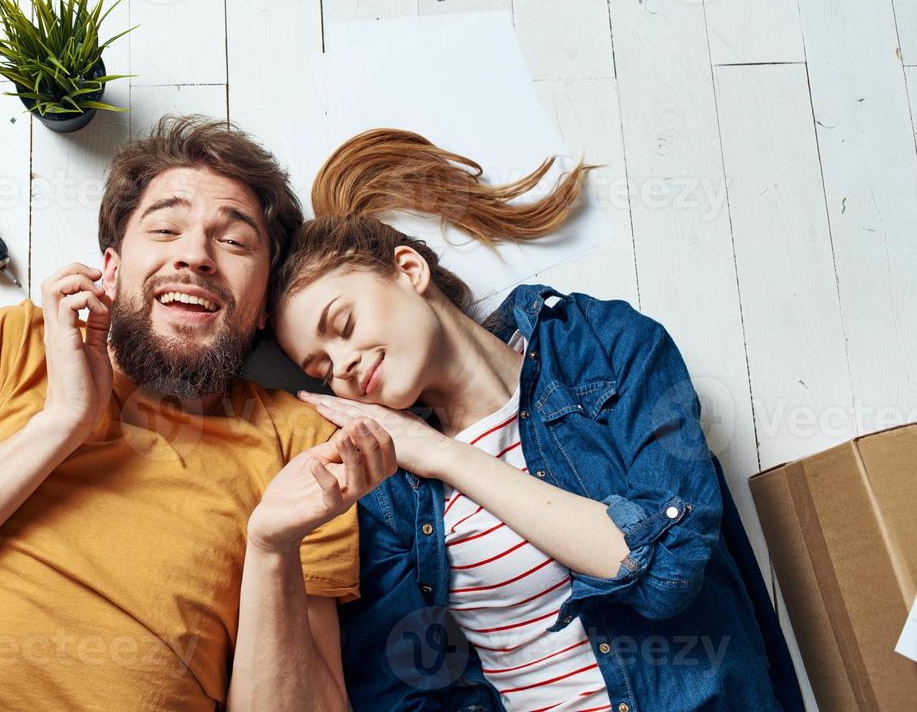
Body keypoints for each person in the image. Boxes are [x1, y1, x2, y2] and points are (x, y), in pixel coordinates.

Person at [0, 115, 397, 711]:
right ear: (110, 270)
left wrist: (271, 548)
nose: (196, 255)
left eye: (235, 241)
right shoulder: (16, 344)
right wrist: (60, 424)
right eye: (164, 229)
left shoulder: (299, 444)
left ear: (264, 305)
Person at [270, 128, 803, 711]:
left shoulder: (602, 348)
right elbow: (405, 691)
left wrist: (447, 456)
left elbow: (667, 573)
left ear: (408, 269)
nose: (342, 364)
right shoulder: (388, 488)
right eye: (320, 368)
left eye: (343, 325)